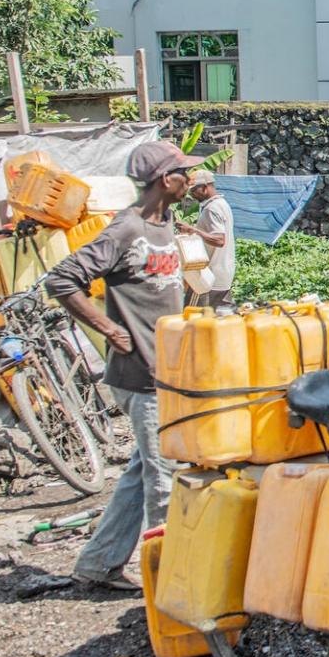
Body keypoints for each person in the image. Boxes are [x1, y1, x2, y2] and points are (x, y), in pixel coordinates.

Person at [48, 139, 202, 590]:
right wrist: (110, 330)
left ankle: (99, 563)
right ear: (164, 180)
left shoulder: (165, 224)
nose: (189, 179)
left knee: (141, 469)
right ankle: (169, 585)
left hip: (167, 371)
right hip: (141, 375)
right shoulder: (125, 230)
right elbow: (62, 280)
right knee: (163, 479)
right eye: (183, 173)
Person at [178, 168, 235, 306]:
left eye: (193, 190)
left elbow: (219, 240)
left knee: (192, 319)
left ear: (204, 187)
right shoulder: (222, 204)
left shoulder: (212, 208)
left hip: (208, 278)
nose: (191, 194)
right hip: (222, 275)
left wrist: (192, 230)